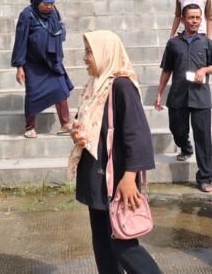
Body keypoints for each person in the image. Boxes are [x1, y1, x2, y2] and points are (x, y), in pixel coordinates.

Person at [67, 30, 162, 274]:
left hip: (117, 180)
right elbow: (90, 126)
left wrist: (129, 178)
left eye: (90, 52)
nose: (85, 58)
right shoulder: (94, 86)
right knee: (102, 244)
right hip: (95, 177)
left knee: (123, 243)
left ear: (105, 53)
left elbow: (137, 135)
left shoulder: (121, 86)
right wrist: (78, 134)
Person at [155, 3, 212, 193]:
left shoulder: (207, 43)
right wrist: (159, 93)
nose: (194, 21)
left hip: (201, 98)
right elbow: (167, 69)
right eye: (191, 17)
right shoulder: (173, 43)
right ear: (182, 20)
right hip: (178, 96)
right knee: (177, 129)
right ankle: (185, 147)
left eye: (198, 18)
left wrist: (204, 70)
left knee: (203, 138)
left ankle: (205, 178)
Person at [11, 0, 74, 138]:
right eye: (46, 4)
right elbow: (21, 41)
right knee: (33, 93)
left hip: (51, 60)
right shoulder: (27, 15)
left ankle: (65, 124)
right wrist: (19, 66)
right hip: (33, 63)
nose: (49, 7)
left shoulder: (53, 13)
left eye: (52, 3)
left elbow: (58, 32)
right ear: (38, 1)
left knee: (60, 88)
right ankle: (30, 127)